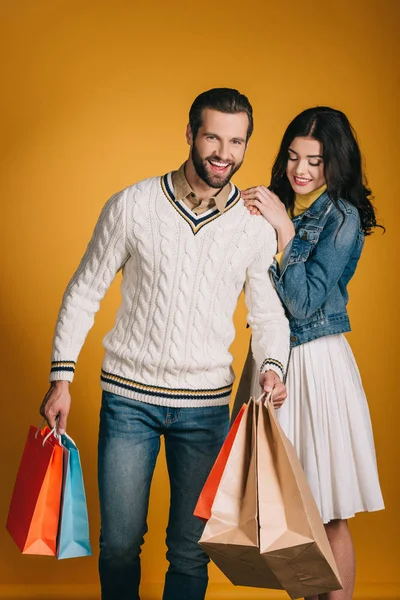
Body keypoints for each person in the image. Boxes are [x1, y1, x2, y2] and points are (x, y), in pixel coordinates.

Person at [40, 88, 290, 600]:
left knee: (191, 551)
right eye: (213, 137)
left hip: (205, 409)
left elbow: (268, 315)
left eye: (237, 141)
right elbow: (84, 291)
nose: (224, 152)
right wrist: (60, 379)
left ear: (246, 146)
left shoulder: (253, 227)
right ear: (191, 134)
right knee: (119, 545)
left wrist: (272, 369)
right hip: (128, 402)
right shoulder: (132, 205)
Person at [234, 106, 385, 600]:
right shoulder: (276, 203)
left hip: (317, 366)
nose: (301, 170)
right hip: (272, 361)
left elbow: (301, 304)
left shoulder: (340, 218)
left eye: (315, 162)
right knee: (285, 509)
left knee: (326, 507)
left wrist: (285, 232)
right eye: (295, 157)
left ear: (335, 164)